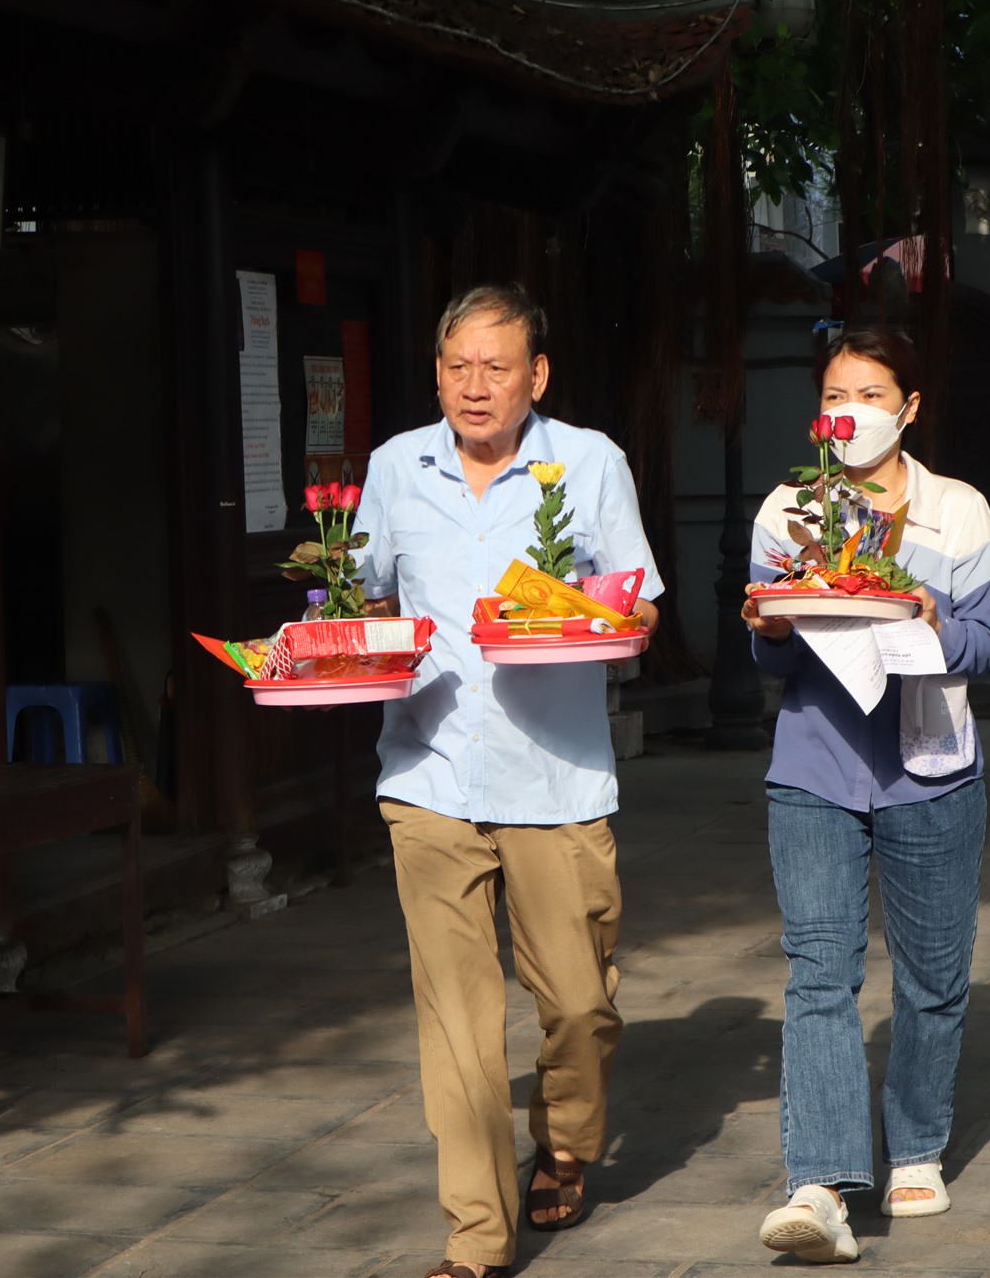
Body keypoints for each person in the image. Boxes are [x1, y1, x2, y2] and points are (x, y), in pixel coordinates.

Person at [354, 282, 663, 1278]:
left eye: (496, 366)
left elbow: (641, 608)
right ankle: (477, 1240)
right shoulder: (395, 467)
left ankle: (565, 1137)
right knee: (456, 1025)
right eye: (457, 366)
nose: (474, 385)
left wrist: (589, 621)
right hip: (428, 775)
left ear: (538, 375)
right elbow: (366, 600)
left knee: (577, 1003)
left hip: (556, 780)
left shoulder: (590, 461)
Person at [739, 327, 990, 1264]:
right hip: (815, 765)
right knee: (819, 971)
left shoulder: (959, 511)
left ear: (909, 407)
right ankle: (821, 1181)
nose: (850, 412)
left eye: (872, 393)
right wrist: (768, 626)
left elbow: (985, 644)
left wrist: (931, 617)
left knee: (932, 977)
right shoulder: (787, 510)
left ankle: (916, 1144)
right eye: (835, 395)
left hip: (929, 767)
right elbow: (771, 656)